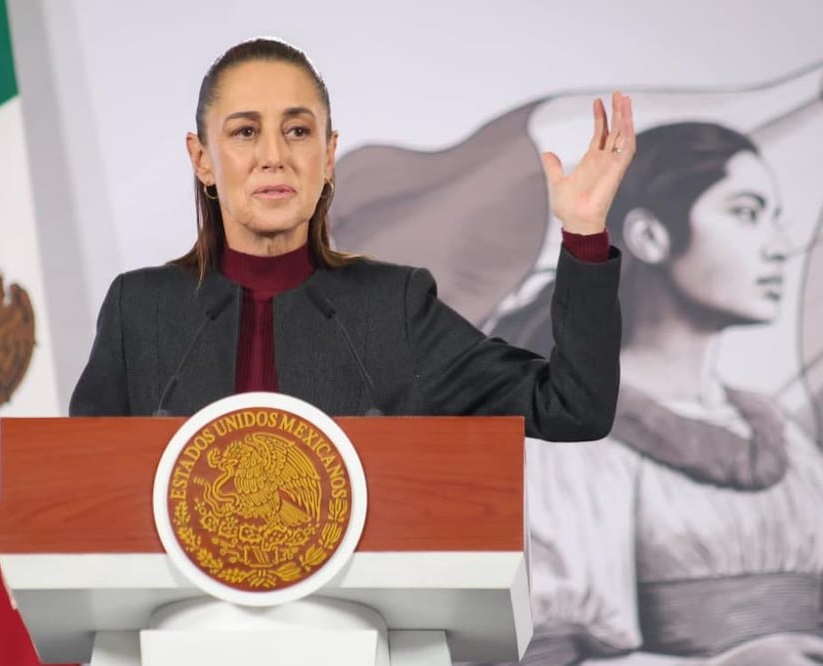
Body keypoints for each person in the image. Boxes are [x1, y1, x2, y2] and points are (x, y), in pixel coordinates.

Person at [69, 38, 632, 443]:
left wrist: (583, 234)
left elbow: (570, 408)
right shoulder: (139, 311)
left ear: (329, 155)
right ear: (202, 159)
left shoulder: (393, 309)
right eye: (245, 132)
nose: (274, 155)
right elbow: (81, 493)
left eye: (297, 131)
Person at [486, 123, 823, 664]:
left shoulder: (783, 437)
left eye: (776, 218)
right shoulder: (569, 432)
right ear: (650, 237)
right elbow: (552, 651)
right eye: (746, 213)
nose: (781, 247)